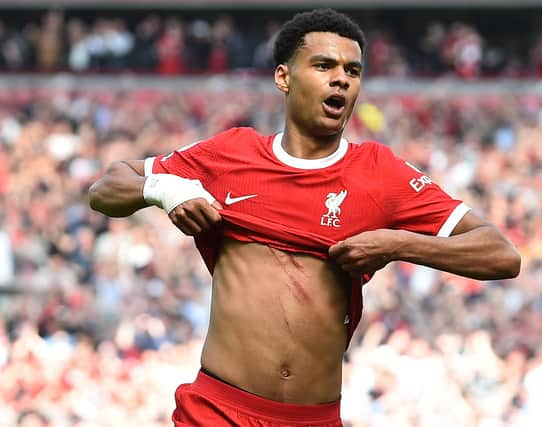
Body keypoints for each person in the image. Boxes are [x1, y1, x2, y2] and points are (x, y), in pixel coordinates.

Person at [88, 8, 520, 427]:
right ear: (284, 77)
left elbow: (501, 255)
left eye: (353, 71)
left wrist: (397, 244)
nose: (341, 79)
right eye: (324, 65)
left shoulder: (380, 172)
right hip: (218, 411)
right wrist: (166, 190)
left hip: (314, 418)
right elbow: (107, 188)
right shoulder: (232, 153)